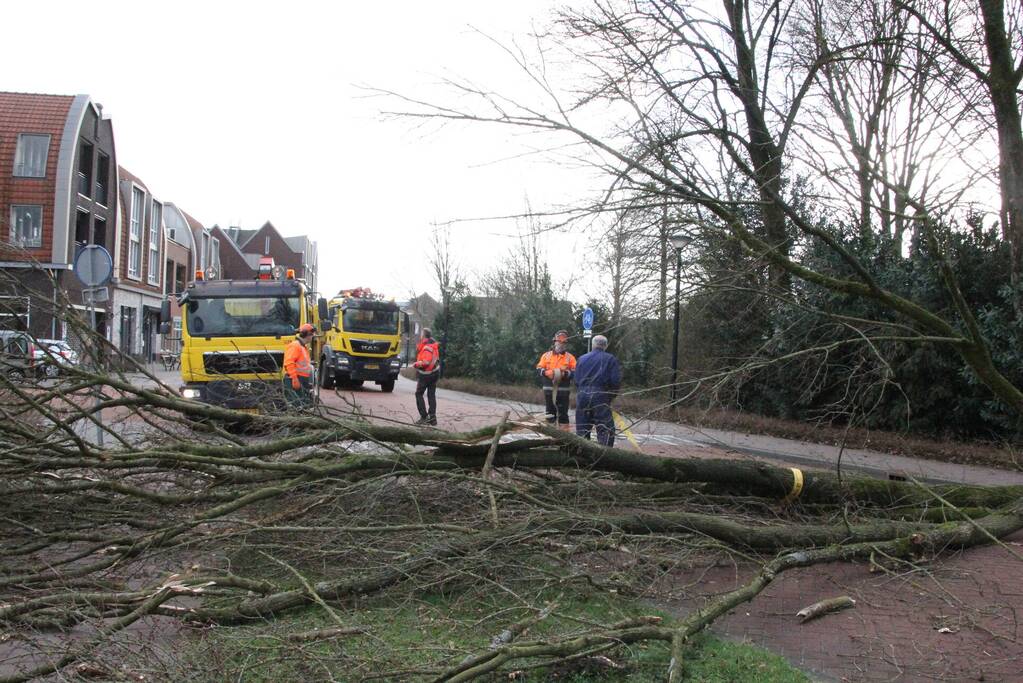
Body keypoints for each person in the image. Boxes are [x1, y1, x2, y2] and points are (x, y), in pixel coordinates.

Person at [574, 334, 622, 446]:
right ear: (605, 346)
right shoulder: (610, 359)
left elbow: (576, 380)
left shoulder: (581, 359)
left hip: (583, 395)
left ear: (593, 345)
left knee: (582, 427)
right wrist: (611, 396)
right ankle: (604, 455)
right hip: (601, 395)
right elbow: (615, 381)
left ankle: (582, 453)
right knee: (605, 428)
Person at [536, 330, 577, 430]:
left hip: (563, 392)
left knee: (563, 414)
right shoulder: (546, 356)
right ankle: (550, 436)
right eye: (559, 342)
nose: (561, 344)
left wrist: (565, 373)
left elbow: (576, 372)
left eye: (563, 343)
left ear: (566, 344)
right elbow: (538, 369)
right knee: (550, 413)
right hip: (549, 391)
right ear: (554, 342)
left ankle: (565, 439)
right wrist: (545, 372)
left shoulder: (570, 358)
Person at [283, 323, 315, 408]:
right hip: (295, 379)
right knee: (296, 405)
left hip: (301, 379)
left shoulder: (302, 347)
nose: (312, 338)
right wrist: (294, 379)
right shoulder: (295, 346)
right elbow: (289, 363)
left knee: (301, 405)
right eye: (312, 335)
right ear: (308, 335)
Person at [413, 327, 441, 425]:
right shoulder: (433, 345)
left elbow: (426, 362)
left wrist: (416, 364)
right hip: (435, 373)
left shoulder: (426, 347)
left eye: (421, 333)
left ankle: (424, 417)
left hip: (426, 375)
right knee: (431, 395)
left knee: (418, 394)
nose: (420, 335)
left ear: (424, 335)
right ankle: (432, 418)